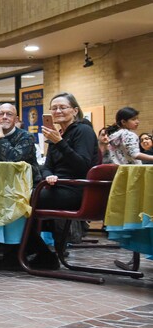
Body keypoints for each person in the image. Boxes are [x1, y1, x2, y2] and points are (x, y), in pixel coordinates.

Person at [24, 92, 99, 270]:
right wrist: (49, 175)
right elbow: (47, 166)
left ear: (74, 110)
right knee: (16, 198)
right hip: (57, 187)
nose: (58, 111)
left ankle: (38, 254)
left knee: (16, 201)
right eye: (54, 108)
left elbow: (83, 166)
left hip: (76, 190)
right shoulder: (57, 134)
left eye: (63, 107)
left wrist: (59, 143)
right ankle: (37, 252)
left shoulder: (83, 131)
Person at [0, 103, 41, 182]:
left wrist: (1, 137)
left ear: (16, 119)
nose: (4, 117)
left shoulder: (26, 136)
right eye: (1, 114)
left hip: (24, 182)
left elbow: (13, 161)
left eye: (9, 114)